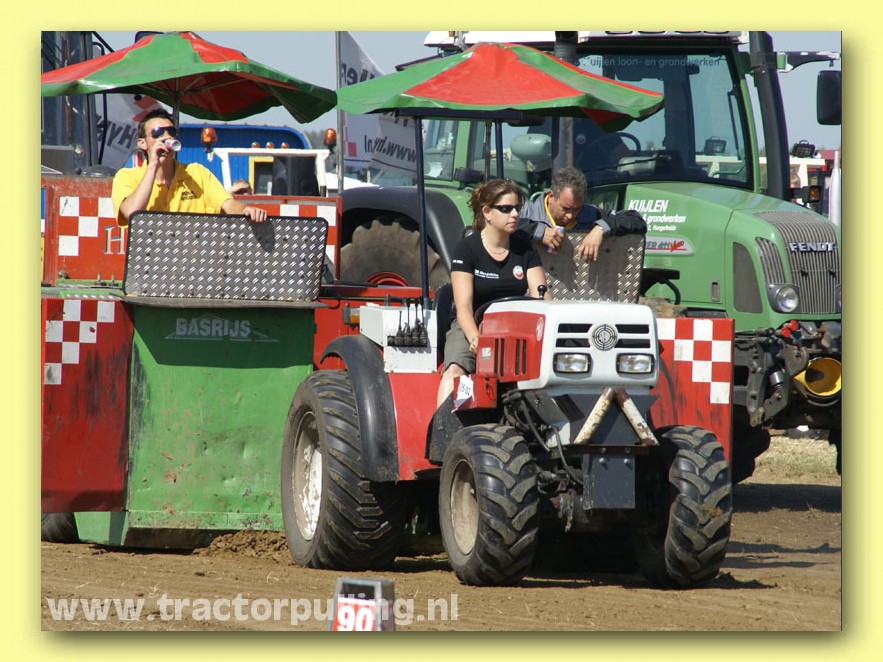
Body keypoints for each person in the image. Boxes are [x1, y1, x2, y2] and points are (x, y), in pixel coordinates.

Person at [437, 179, 550, 406]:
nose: (515, 214)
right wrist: (475, 339)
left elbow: (543, 298)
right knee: (456, 370)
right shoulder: (467, 249)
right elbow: (463, 307)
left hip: (515, 325)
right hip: (473, 323)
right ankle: (443, 424)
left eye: (517, 208)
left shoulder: (525, 249)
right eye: (506, 209)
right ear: (487, 212)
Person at [112, 109, 267, 227]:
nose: (166, 137)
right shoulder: (127, 176)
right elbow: (131, 213)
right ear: (142, 143)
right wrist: (153, 164)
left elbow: (226, 203)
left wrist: (245, 210)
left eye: (171, 132)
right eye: (157, 133)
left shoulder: (196, 173)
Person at [517, 166, 611, 261]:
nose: (570, 216)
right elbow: (508, 222)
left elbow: (620, 218)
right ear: (551, 196)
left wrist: (600, 229)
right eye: (565, 208)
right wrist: (537, 231)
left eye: (577, 209)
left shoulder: (590, 214)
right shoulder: (525, 211)